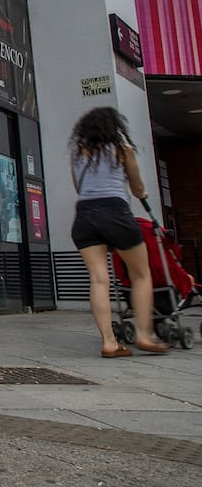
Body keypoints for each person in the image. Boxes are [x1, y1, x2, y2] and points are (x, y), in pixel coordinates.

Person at [69, 108, 169, 357]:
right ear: (115, 128)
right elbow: (137, 187)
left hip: (85, 216)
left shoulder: (78, 154)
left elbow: (79, 187)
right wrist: (142, 194)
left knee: (99, 279)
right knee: (141, 275)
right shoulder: (124, 151)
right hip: (115, 213)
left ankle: (109, 342)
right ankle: (145, 335)